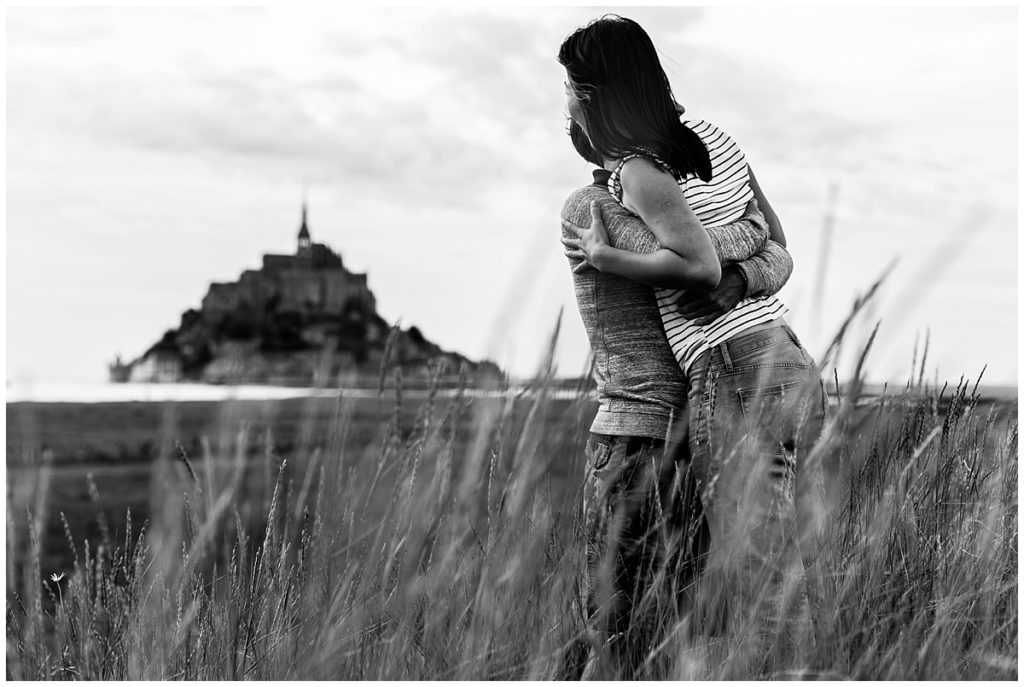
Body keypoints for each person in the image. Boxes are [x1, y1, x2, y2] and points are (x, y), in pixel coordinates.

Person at [558, 15, 828, 679]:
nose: (563, 104)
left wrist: (617, 256)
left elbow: (695, 263)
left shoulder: (631, 184)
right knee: (750, 566)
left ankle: (793, 673)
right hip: (769, 366)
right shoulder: (707, 147)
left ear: (592, 100)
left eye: (568, 90)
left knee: (744, 575)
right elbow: (774, 241)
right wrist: (747, 256)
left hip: (712, 386)